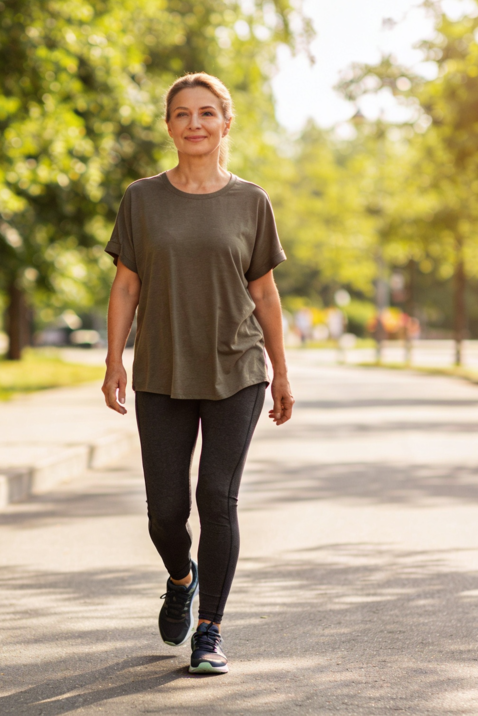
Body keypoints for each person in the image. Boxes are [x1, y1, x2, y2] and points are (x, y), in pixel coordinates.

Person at [101, 72, 294, 675]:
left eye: (207, 114)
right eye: (182, 114)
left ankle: (209, 632)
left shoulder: (251, 201)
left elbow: (264, 294)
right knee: (164, 511)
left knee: (217, 496)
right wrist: (114, 360)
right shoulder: (142, 198)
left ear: (225, 123)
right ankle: (181, 578)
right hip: (161, 369)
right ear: (168, 125)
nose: (194, 124)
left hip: (236, 367)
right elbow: (126, 283)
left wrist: (282, 372)